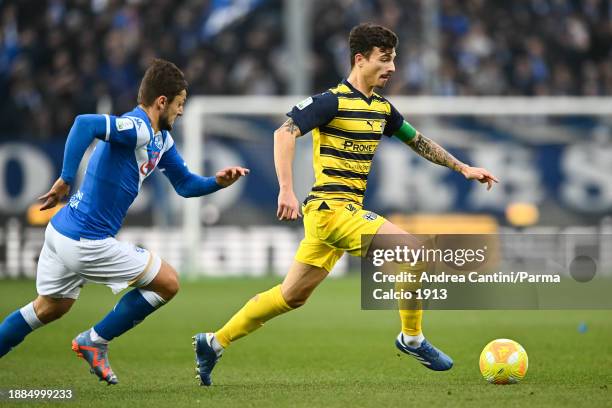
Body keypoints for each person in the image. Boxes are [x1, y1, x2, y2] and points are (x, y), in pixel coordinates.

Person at [192, 23, 498, 386]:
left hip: (338, 216)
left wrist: (462, 167)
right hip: (331, 210)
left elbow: (418, 141)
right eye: (385, 59)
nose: (392, 68)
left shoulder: (382, 109)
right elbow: (283, 133)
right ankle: (411, 337)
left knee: (290, 296)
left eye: (394, 60)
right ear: (360, 59)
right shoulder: (331, 101)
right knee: (417, 253)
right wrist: (286, 190)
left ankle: (213, 341)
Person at [0, 58, 248, 385]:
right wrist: (65, 178)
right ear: (162, 101)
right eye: (179, 104)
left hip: (61, 232)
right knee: (168, 283)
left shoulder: (161, 139)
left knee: (48, 308)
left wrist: (217, 182)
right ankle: (94, 340)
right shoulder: (138, 127)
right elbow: (83, 124)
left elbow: (186, 185)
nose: (182, 112)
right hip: (86, 241)